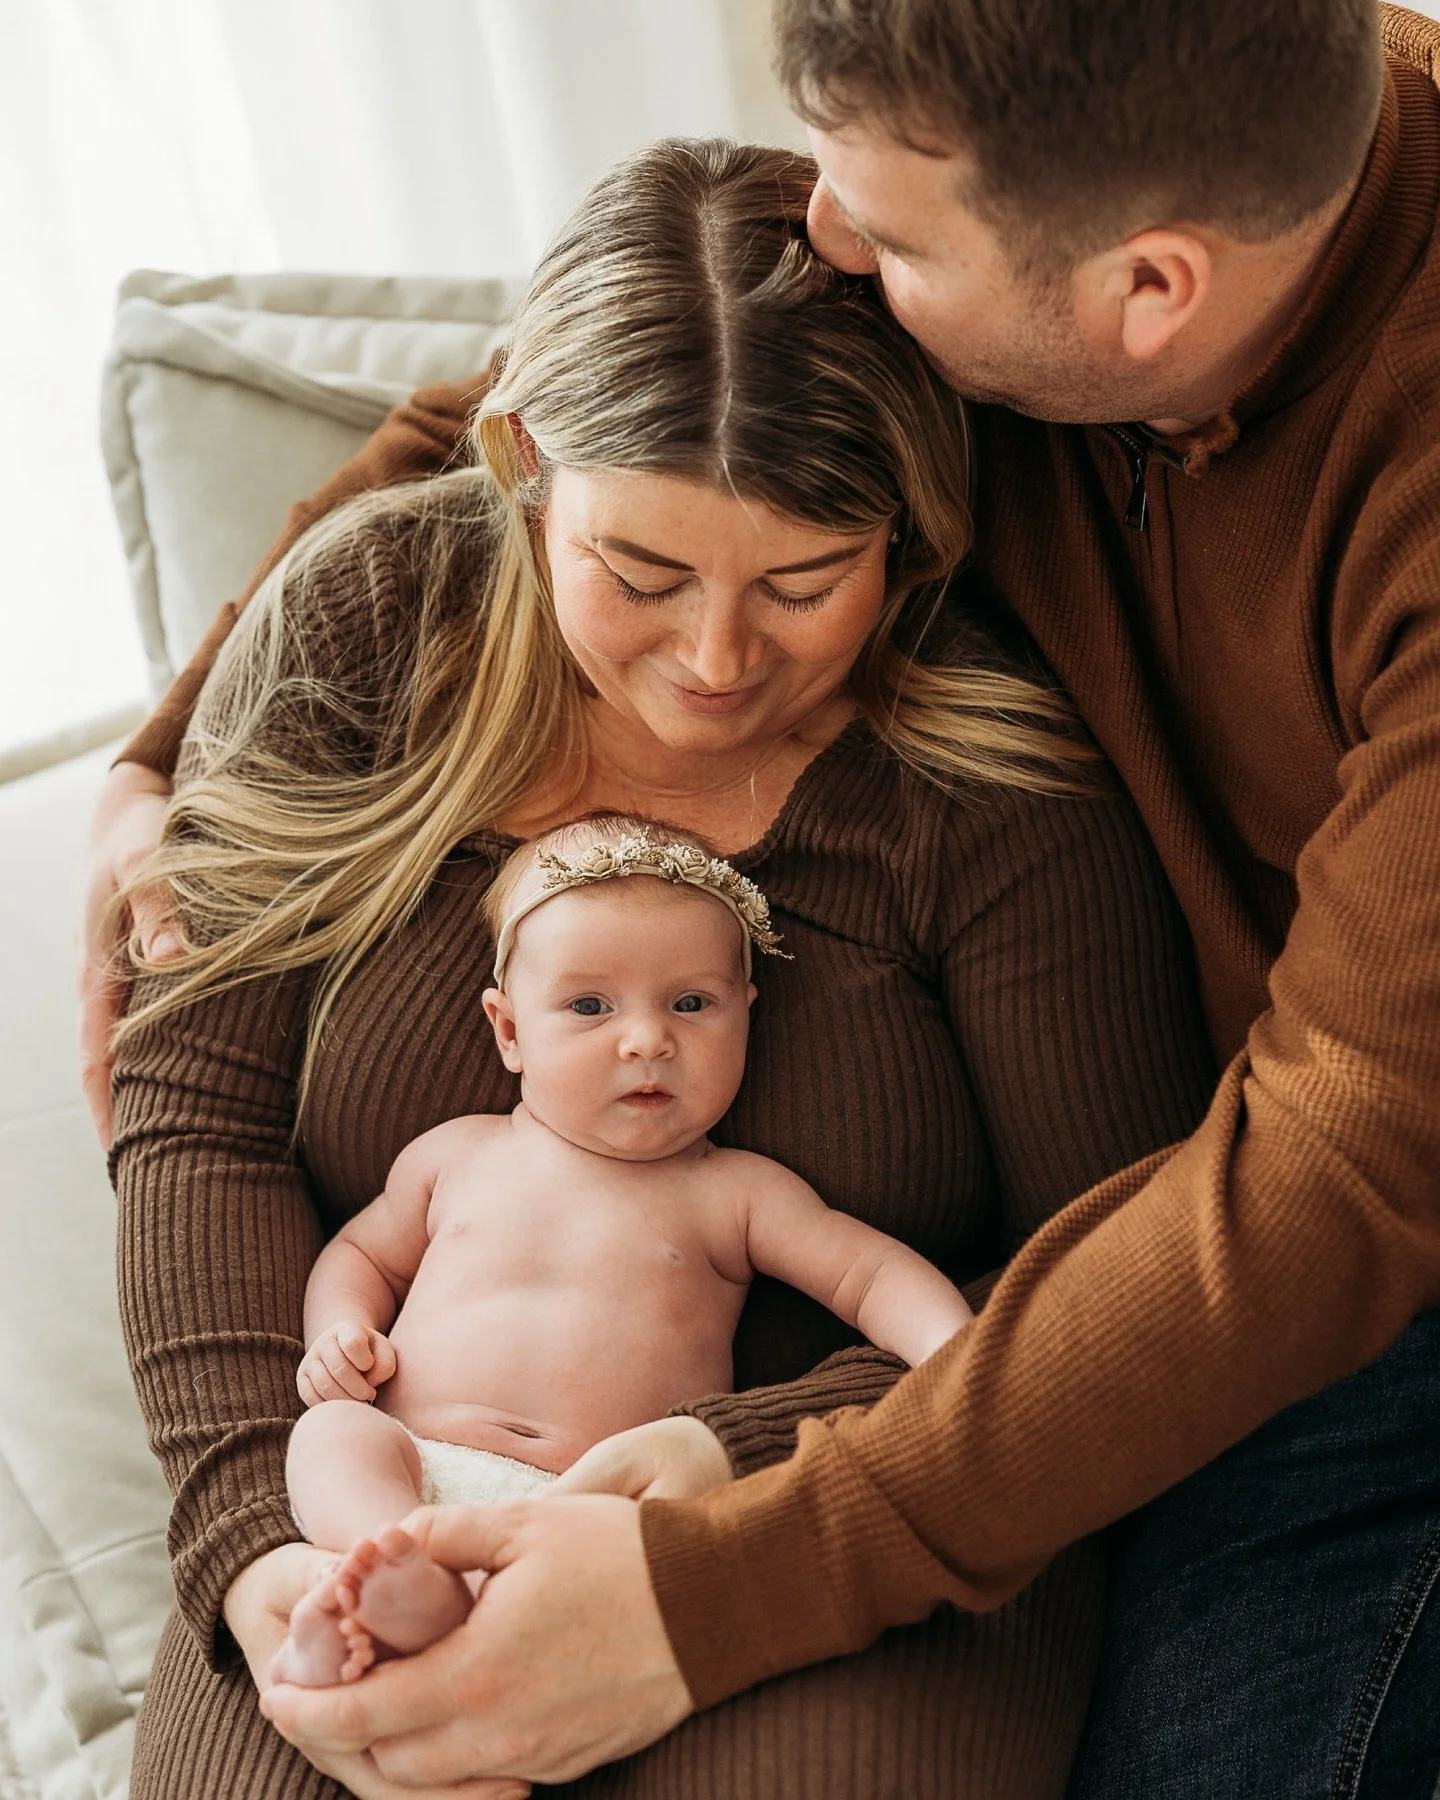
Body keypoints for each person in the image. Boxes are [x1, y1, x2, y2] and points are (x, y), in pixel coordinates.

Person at [86, 2, 1440, 1795]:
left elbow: (1338, 1168)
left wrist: (714, 1568)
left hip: (1348, 1248)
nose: (827, 244)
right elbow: (631, 369)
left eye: (883, 239)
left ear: (1149, 292)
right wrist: (166, 750)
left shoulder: (1026, 743)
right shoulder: (1076, 180)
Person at [274, 815, 973, 1689]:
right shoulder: (455, 1156)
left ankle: (407, 1616)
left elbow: (869, 1275)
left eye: (691, 1004)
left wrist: (959, 1351)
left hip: (603, 1497)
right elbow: (363, 1256)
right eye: (590, 1007)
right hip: (416, 1465)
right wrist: (338, 1332)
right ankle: (391, 1567)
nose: (646, 1039)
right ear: (509, 1031)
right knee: (333, 1435)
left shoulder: (737, 1193)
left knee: (675, 1547)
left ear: (746, 1015)